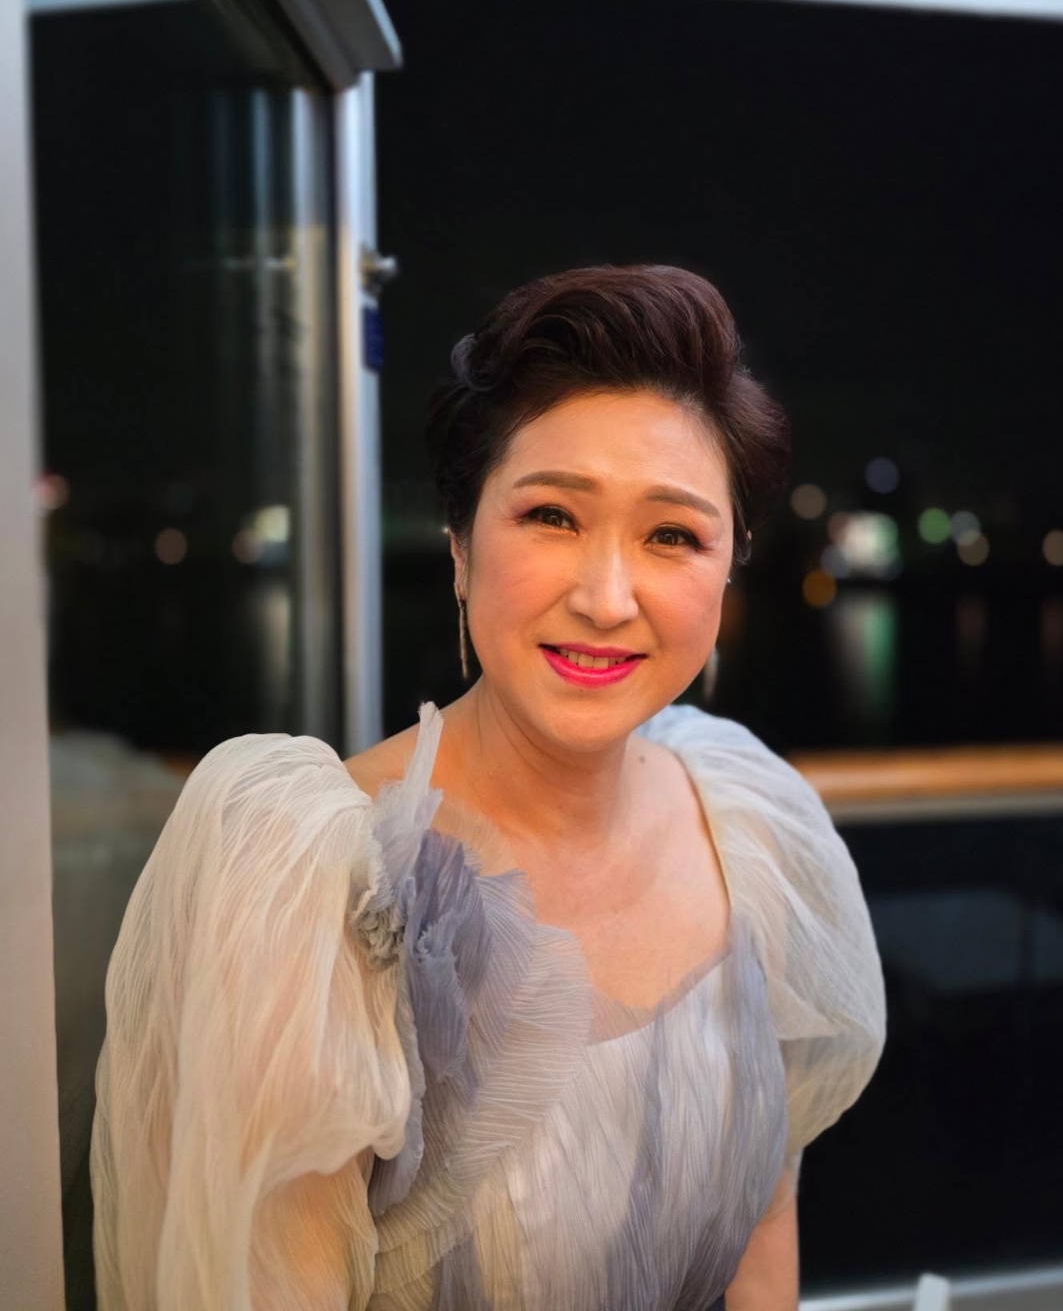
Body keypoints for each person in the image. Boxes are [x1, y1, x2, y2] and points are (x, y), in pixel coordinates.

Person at [91, 264, 886, 1311]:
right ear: (461, 545)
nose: (607, 598)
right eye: (553, 515)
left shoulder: (748, 824)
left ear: (729, 566)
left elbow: (764, 1230)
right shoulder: (319, 884)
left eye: (672, 535)